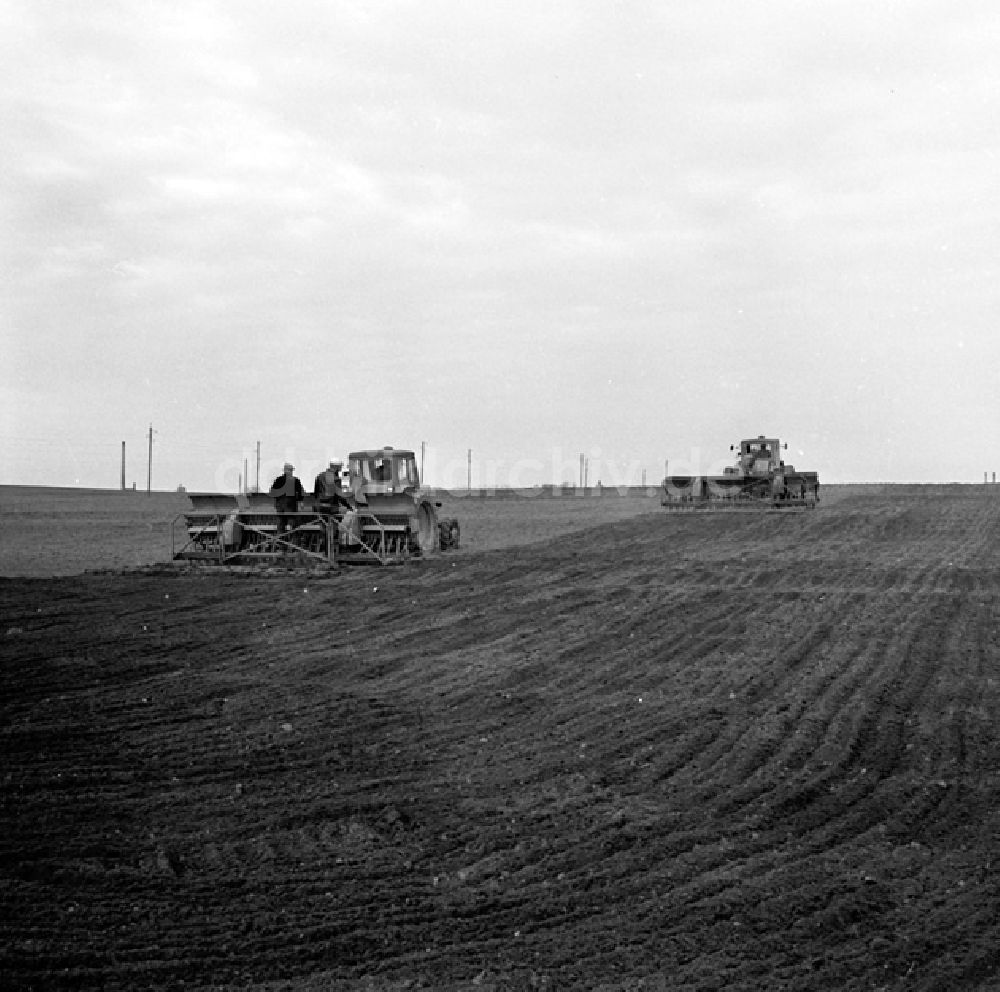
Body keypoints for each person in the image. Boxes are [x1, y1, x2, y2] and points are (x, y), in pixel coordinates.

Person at [268, 462, 305, 539]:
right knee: (293, 527)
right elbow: (301, 492)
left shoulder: (278, 480)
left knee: (281, 527)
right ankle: (293, 546)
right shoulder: (295, 480)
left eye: (291, 470)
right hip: (290, 506)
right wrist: (300, 501)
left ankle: (282, 546)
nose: (291, 472)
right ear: (285, 470)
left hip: (281, 507)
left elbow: (272, 492)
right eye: (290, 470)